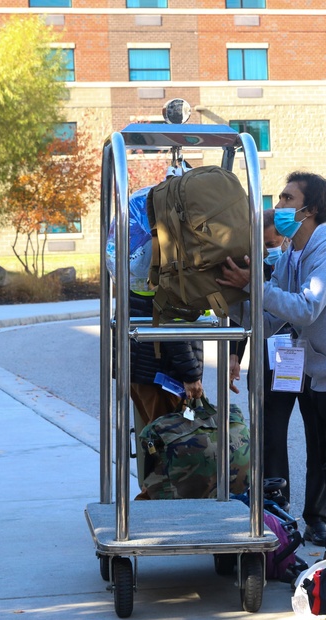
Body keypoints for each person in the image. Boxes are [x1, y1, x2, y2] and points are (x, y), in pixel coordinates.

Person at [218, 171, 326, 574]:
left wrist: (255, 284)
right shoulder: (292, 250)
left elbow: (306, 307)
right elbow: (274, 319)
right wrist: (234, 304)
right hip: (320, 373)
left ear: (310, 210)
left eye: (288, 198)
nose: (279, 206)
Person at [227, 209, 326, 546]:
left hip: (310, 358)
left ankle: (318, 516)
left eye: (277, 242)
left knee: (319, 438)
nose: (274, 248)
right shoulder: (251, 264)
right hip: (274, 358)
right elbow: (245, 311)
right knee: (271, 435)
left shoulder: (311, 258)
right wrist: (233, 354)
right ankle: (276, 505)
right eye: (267, 244)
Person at [105, 167, 204, 497]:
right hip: (163, 370)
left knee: (151, 440)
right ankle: (156, 508)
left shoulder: (133, 250)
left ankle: (153, 502)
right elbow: (170, 318)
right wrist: (191, 374)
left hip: (140, 367)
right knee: (170, 445)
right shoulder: (164, 250)